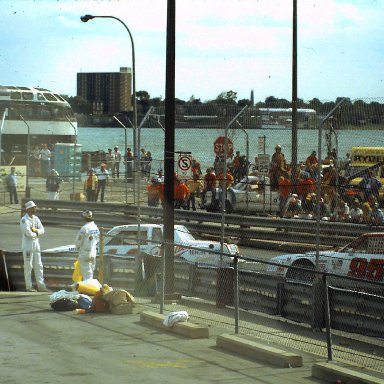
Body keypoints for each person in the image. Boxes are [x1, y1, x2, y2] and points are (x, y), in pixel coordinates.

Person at [20, 201, 48, 292]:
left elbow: (43, 230)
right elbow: (28, 234)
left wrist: (36, 231)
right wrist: (37, 233)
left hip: (36, 244)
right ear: (28, 209)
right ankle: (29, 287)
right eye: (33, 207)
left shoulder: (36, 218)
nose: (35, 209)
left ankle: (41, 286)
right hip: (28, 245)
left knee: (39, 265)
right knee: (28, 266)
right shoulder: (24, 220)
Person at [75, 210, 100, 281]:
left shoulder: (84, 228)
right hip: (93, 252)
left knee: (87, 276)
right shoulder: (96, 227)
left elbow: (78, 242)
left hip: (85, 253)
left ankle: (88, 290)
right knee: (91, 273)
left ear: (84, 218)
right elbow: (98, 239)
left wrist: (77, 248)